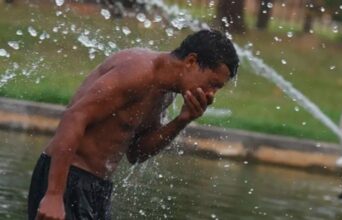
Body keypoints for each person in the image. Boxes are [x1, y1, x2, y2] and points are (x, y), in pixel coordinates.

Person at [28, 29, 239, 220]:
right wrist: (54, 194)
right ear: (191, 61)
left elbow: (137, 153)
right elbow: (74, 117)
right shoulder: (137, 71)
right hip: (66, 177)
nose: (212, 94)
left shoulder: (166, 92)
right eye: (213, 84)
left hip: (97, 188)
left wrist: (182, 120)